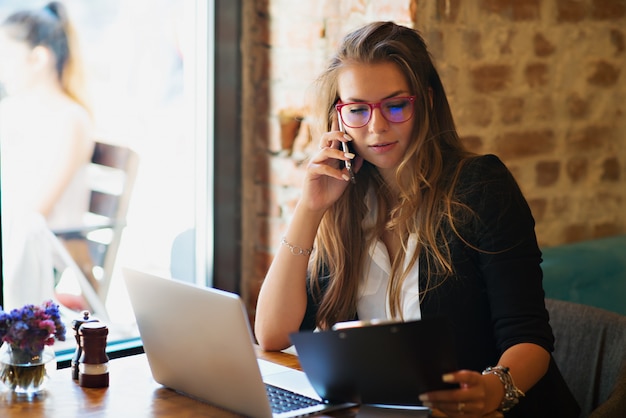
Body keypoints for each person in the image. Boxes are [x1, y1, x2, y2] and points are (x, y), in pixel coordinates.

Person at [254, 22, 580, 417]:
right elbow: (271, 333)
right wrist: (310, 208)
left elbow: (530, 340)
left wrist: (493, 389)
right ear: (338, 118)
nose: (376, 127)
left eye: (395, 105)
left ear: (424, 101)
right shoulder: (345, 202)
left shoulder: (481, 187)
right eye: (357, 109)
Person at [0, 2, 94, 309]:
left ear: (38, 58)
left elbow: (36, 209)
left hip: (39, 250)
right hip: (13, 240)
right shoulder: (11, 111)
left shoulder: (70, 119)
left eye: (5, 57)